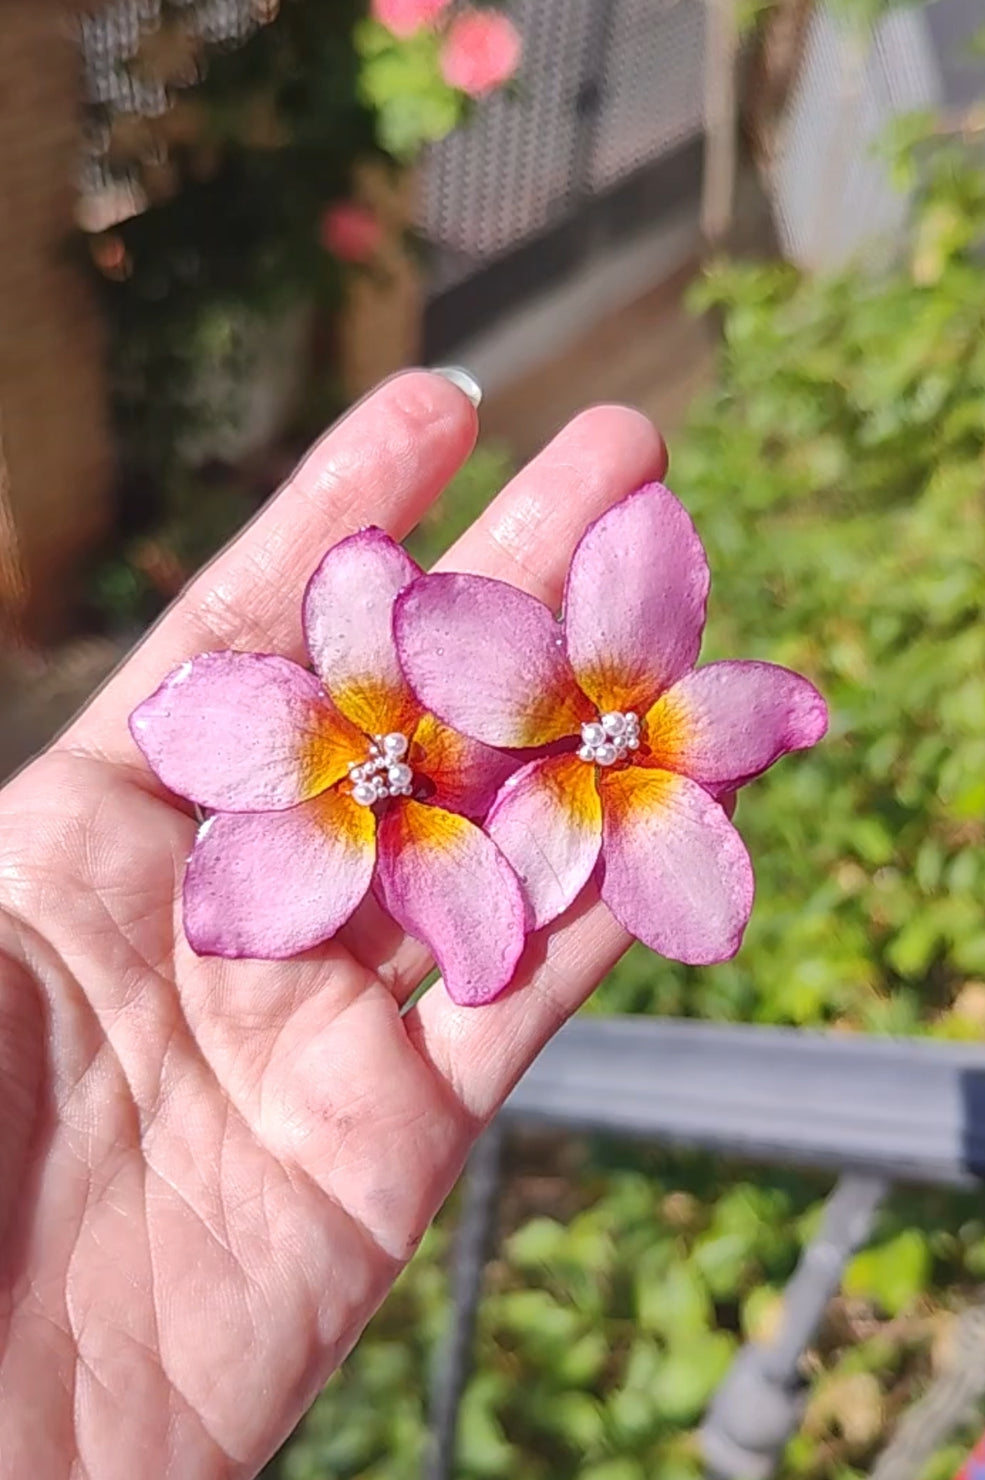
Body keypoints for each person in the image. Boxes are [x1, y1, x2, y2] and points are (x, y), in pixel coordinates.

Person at [0, 370, 666, 1477]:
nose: (392, 764)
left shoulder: (489, 749)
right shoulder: (333, 777)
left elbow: (479, 735)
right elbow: (238, 886)